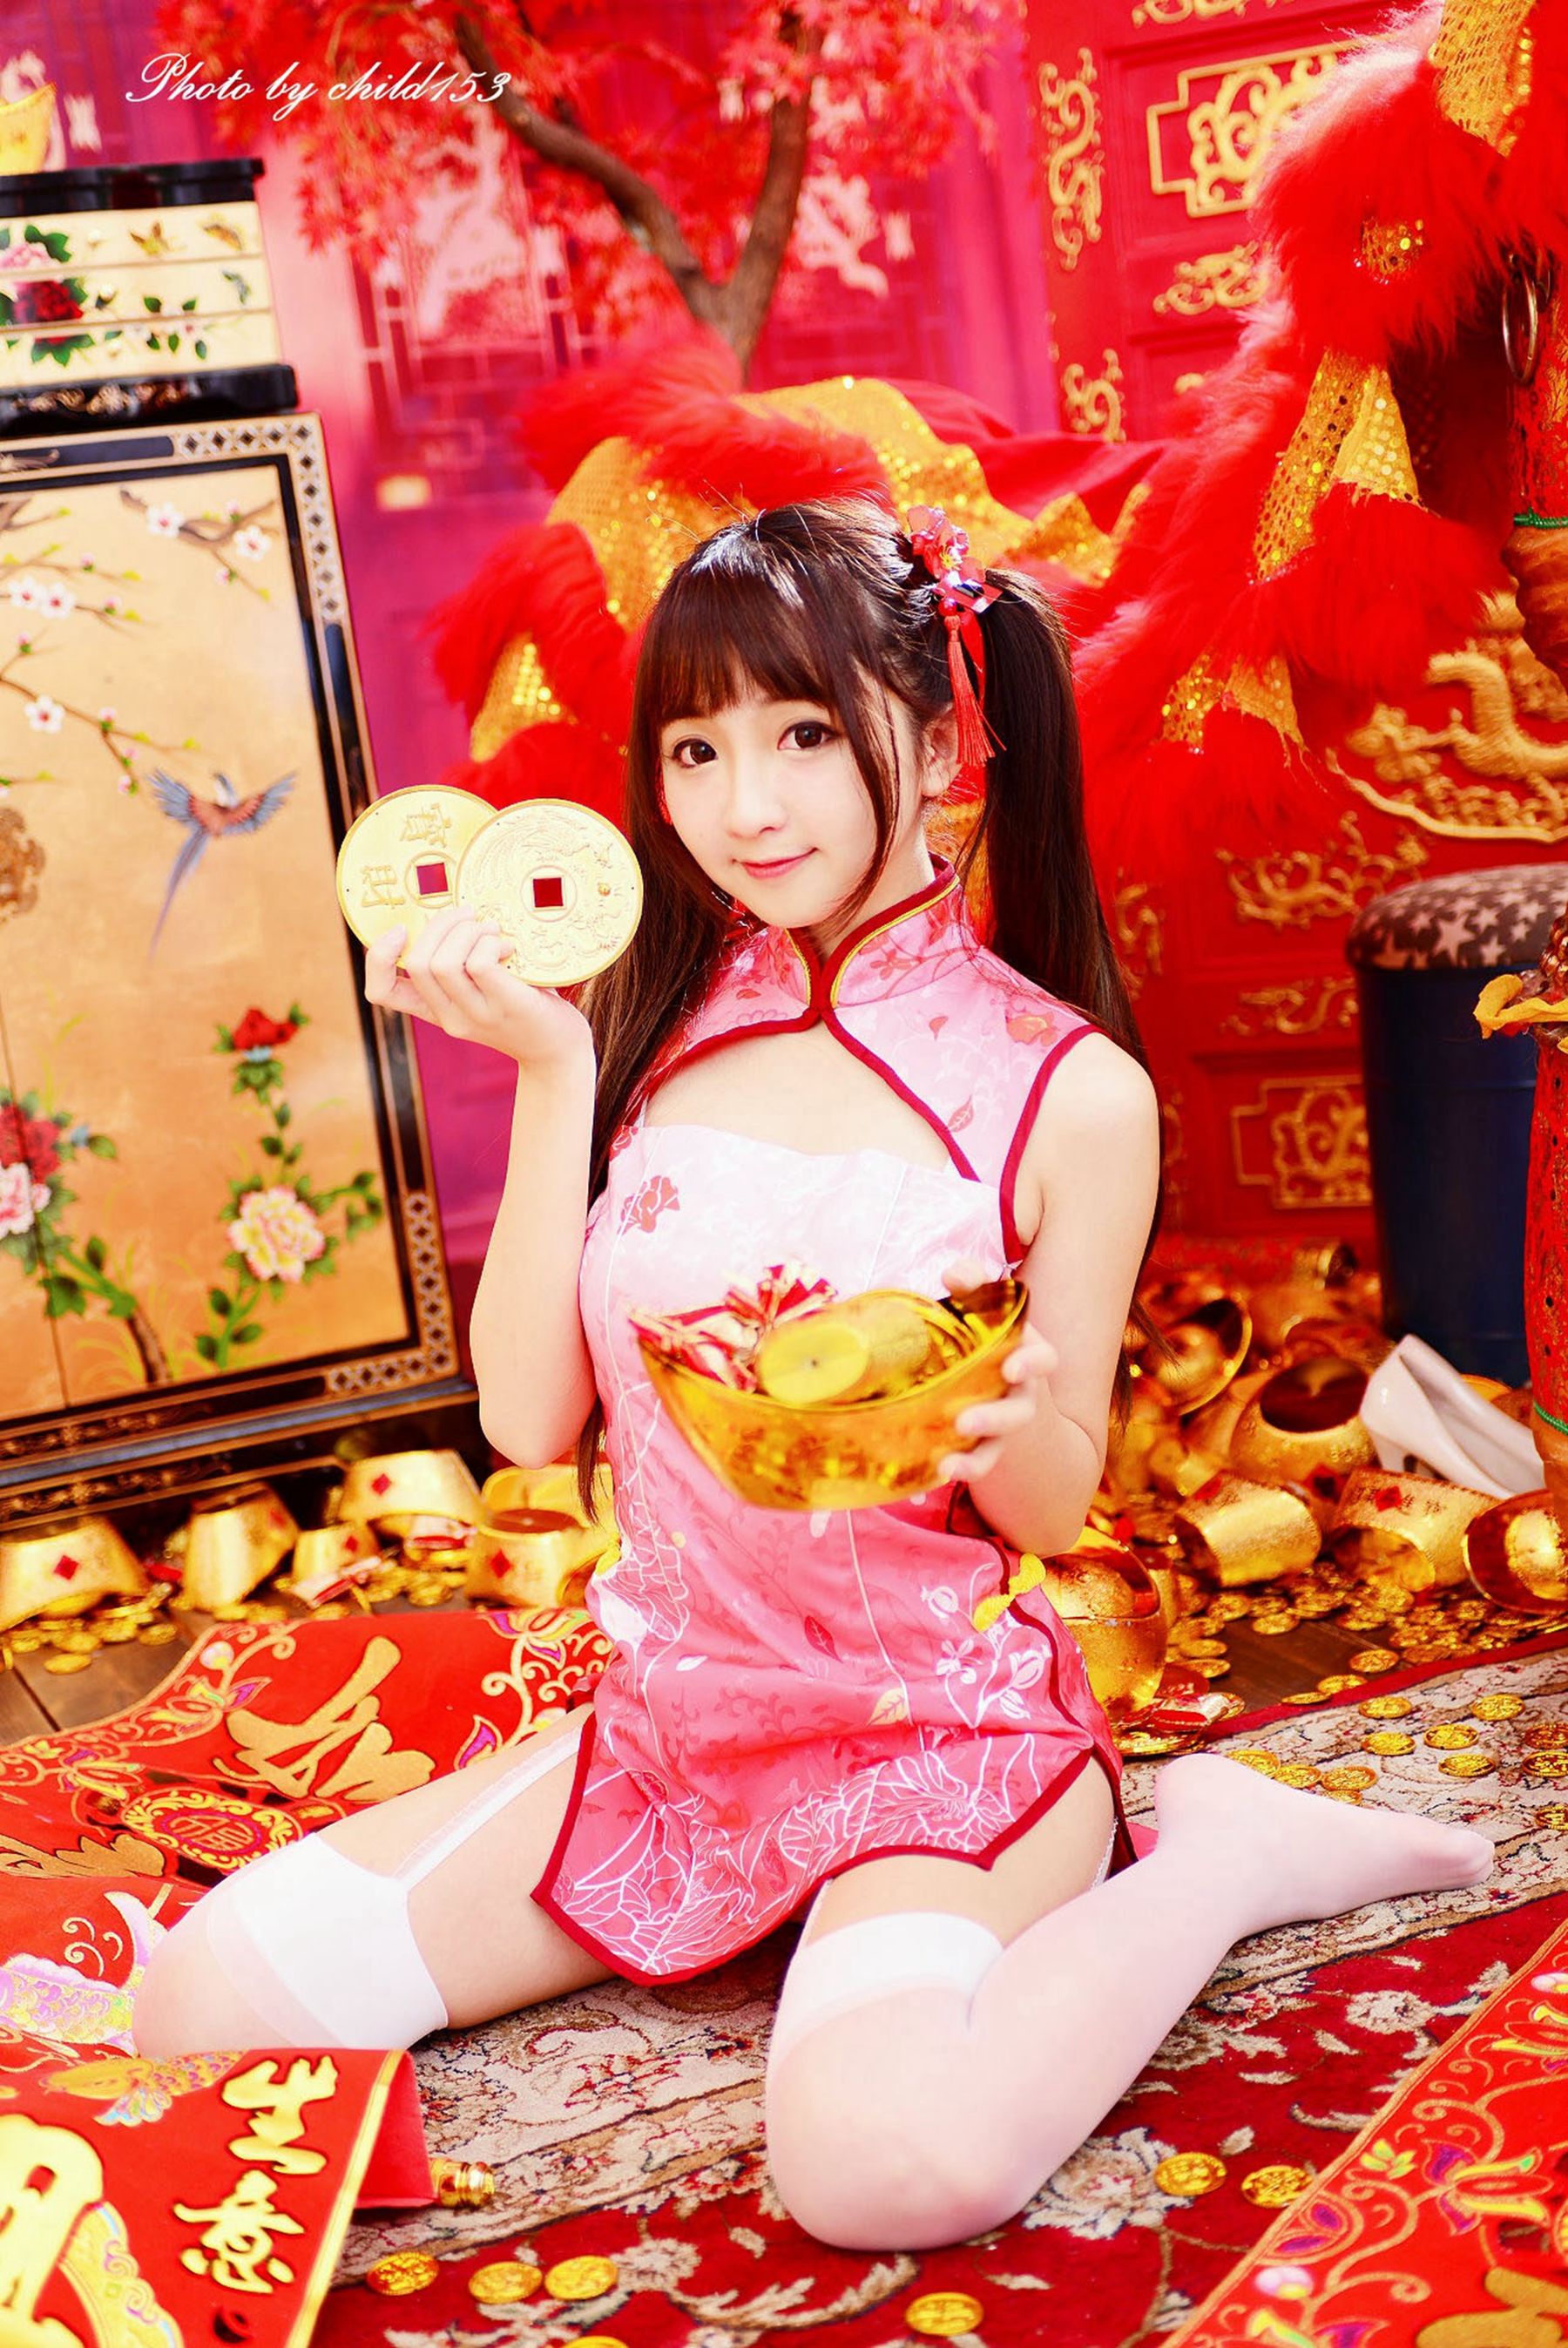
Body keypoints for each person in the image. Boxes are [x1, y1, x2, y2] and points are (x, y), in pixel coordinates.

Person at [132, 498, 1493, 2251]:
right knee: (208, 2009)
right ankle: (787, 1913)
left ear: (933, 742)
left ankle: (1224, 1856)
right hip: (669, 1729)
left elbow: (1053, 1507)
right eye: (696, 749)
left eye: (799, 736)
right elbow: (529, 1424)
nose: (744, 806)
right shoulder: (650, 1018)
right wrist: (548, 1075)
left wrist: (1009, 1408)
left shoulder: (1065, 1089)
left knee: (884, 2171)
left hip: (939, 1736)